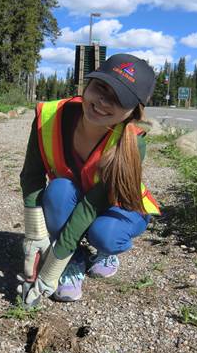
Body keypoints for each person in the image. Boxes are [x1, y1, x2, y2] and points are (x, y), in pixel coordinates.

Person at [19, 53, 161, 307]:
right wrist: (34, 235)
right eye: (100, 88)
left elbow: (91, 206)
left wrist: (54, 263)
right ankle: (75, 260)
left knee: (105, 234)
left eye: (118, 99)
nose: (103, 102)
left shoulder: (132, 142)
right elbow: (31, 175)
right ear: (87, 85)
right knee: (59, 190)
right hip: (75, 196)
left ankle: (105, 254)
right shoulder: (50, 116)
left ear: (133, 111)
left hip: (118, 206)